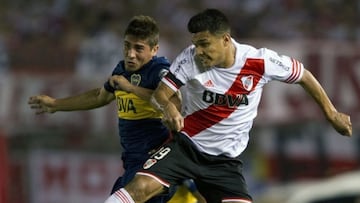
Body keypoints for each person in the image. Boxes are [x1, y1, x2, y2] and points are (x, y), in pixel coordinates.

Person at [104, 8, 353, 203]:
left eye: (204, 44)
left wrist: (331, 114)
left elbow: (304, 75)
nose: (198, 50)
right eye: (196, 43)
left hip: (225, 161)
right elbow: (161, 94)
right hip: (186, 146)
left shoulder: (260, 61)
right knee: (139, 188)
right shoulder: (190, 58)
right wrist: (168, 108)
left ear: (225, 39)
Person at [28, 15, 199, 203]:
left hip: (153, 163)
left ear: (154, 50)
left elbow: (174, 102)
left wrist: (131, 88)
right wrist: (56, 104)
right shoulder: (121, 71)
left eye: (139, 48)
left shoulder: (159, 70)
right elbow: (99, 96)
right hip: (133, 162)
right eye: (127, 46)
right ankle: (186, 188)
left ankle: (186, 186)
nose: (130, 54)